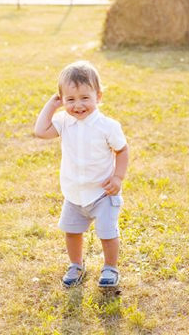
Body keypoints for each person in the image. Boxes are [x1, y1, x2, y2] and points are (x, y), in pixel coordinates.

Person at [34, 61, 129, 288]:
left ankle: (110, 268)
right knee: (72, 232)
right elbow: (40, 132)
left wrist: (117, 178)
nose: (78, 105)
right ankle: (76, 265)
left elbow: (122, 150)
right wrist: (51, 105)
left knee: (107, 233)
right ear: (62, 100)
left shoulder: (108, 126)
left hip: (102, 192)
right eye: (70, 99)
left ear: (98, 96)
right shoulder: (64, 122)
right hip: (74, 193)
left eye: (85, 98)